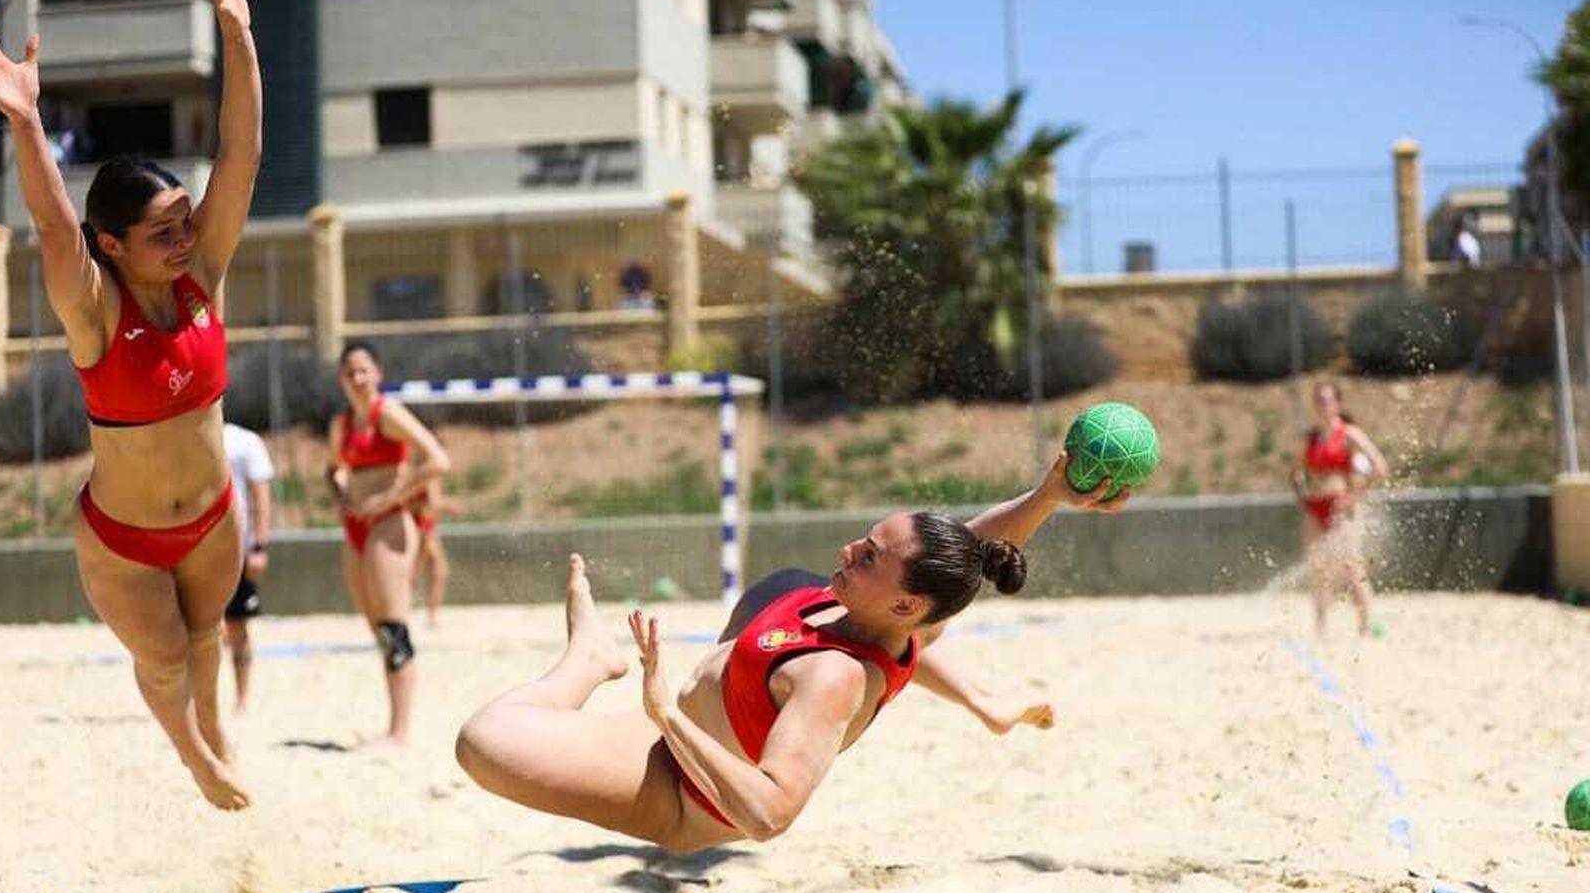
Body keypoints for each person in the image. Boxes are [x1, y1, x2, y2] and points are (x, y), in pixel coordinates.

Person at [455, 454, 1126, 853]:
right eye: (863, 539)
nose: (848, 550)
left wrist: (667, 714)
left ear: (900, 604)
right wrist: (1047, 498)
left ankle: (585, 660)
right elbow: (965, 550)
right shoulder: (883, 609)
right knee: (794, 585)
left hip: (682, 786)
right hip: (698, 712)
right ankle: (984, 700)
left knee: (483, 740)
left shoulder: (834, 679)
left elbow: (772, 814)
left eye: (867, 556)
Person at [0, 0, 259, 809]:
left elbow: (240, 150)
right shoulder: (95, 312)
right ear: (112, 244)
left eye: (186, 220)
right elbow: (51, 223)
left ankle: (212, 736)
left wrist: (237, 31)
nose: (185, 236)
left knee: (208, 642)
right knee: (166, 659)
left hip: (215, 519)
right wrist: (27, 124)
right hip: (123, 541)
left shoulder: (202, 276)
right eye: (162, 231)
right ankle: (192, 753)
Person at [327, 342, 450, 746]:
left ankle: (401, 731)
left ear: (378, 373)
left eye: (364, 370)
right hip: (355, 527)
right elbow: (332, 469)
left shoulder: (388, 413)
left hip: (389, 524)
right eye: (350, 372)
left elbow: (437, 459)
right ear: (341, 378)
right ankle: (392, 725)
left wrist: (391, 497)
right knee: (376, 628)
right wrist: (340, 496)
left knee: (393, 625)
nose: (358, 378)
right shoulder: (342, 423)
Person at [1291, 381, 1389, 637]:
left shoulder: (1349, 434)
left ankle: (1367, 624)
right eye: (1319, 401)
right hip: (1315, 507)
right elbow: (1297, 471)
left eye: (1328, 400)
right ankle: (1321, 626)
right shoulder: (1312, 437)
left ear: (1338, 403)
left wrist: (1355, 496)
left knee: (1351, 566)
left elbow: (1380, 466)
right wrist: (1302, 494)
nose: (1324, 405)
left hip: (1341, 506)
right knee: (1317, 567)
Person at [222, 421, 274, 715]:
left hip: (237, 549)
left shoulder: (245, 440)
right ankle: (203, 701)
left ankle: (241, 701)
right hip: (192, 549)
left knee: (237, 627)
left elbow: (261, 494)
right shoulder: (180, 434)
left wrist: (259, 546)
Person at [409, 476, 451, 628]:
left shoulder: (431, 471)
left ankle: (431, 615)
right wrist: (447, 505)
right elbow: (425, 503)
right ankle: (427, 614)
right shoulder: (422, 470)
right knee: (430, 571)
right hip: (420, 526)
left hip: (427, 526)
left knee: (438, 571)